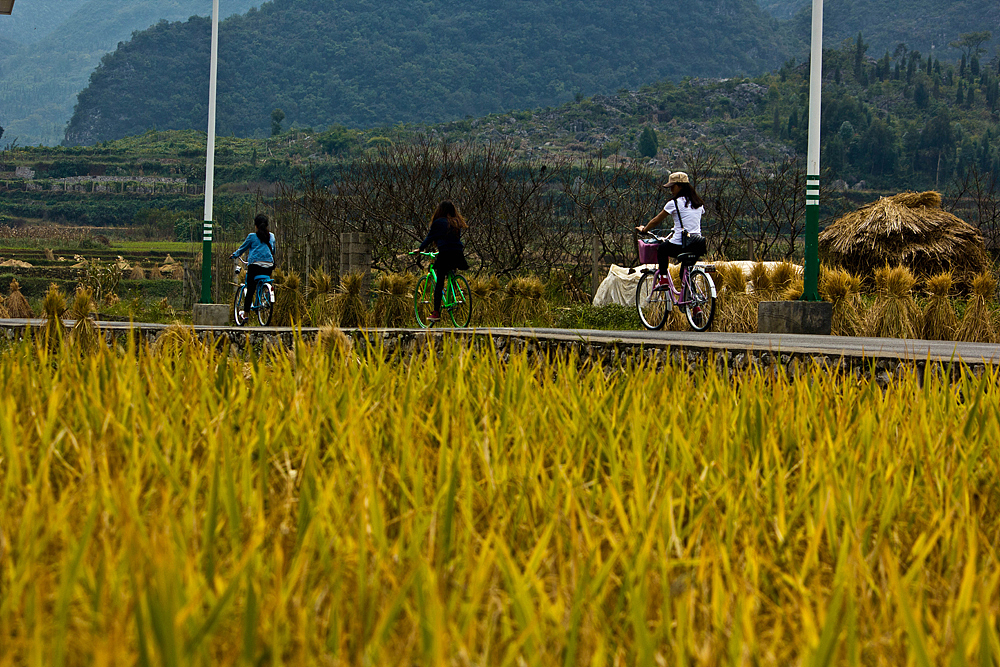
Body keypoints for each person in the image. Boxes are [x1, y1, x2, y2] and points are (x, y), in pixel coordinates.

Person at [636, 171, 705, 287]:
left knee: (662, 249)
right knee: (685, 275)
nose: (671, 190)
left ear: (680, 186)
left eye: (673, 187)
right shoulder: (698, 203)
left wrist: (644, 229)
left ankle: (663, 279)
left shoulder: (674, 203)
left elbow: (656, 220)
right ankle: (693, 297)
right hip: (698, 244)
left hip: (681, 244)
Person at [417, 200, 469, 321]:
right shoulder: (456, 222)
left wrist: (420, 249)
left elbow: (430, 237)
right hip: (458, 253)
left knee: (439, 282)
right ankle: (456, 290)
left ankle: (436, 313)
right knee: (451, 271)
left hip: (445, 253)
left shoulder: (438, 222)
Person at [231, 213, 276, 323]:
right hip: (269, 266)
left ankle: (246, 314)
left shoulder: (252, 236)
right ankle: (264, 297)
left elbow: (242, 249)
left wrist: (234, 255)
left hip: (254, 266)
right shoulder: (272, 236)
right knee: (264, 280)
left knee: (250, 289)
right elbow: (273, 250)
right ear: (267, 225)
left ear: (256, 225)